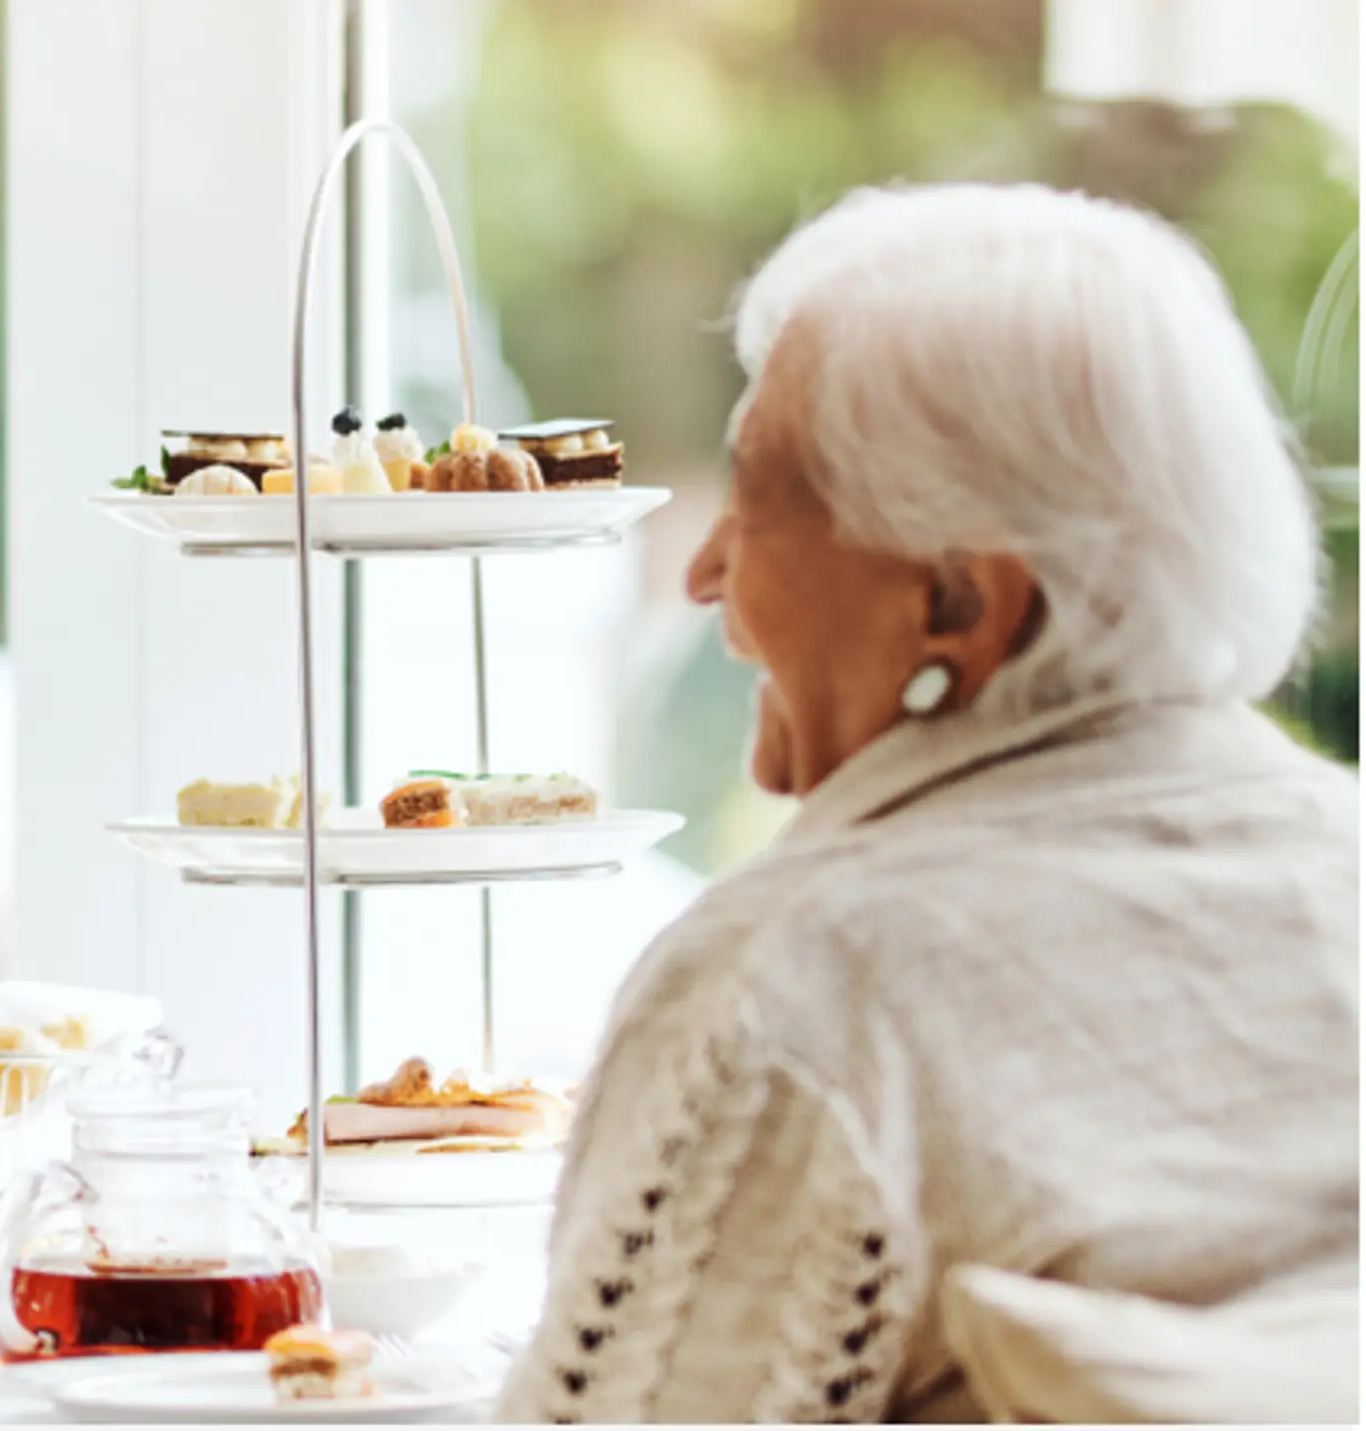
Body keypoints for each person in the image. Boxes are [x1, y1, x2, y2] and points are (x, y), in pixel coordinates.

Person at [502, 185, 1357, 1421]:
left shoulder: (802, 982)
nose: (702, 571)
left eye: (759, 494)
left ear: (958, 606)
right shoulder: (1341, 859)